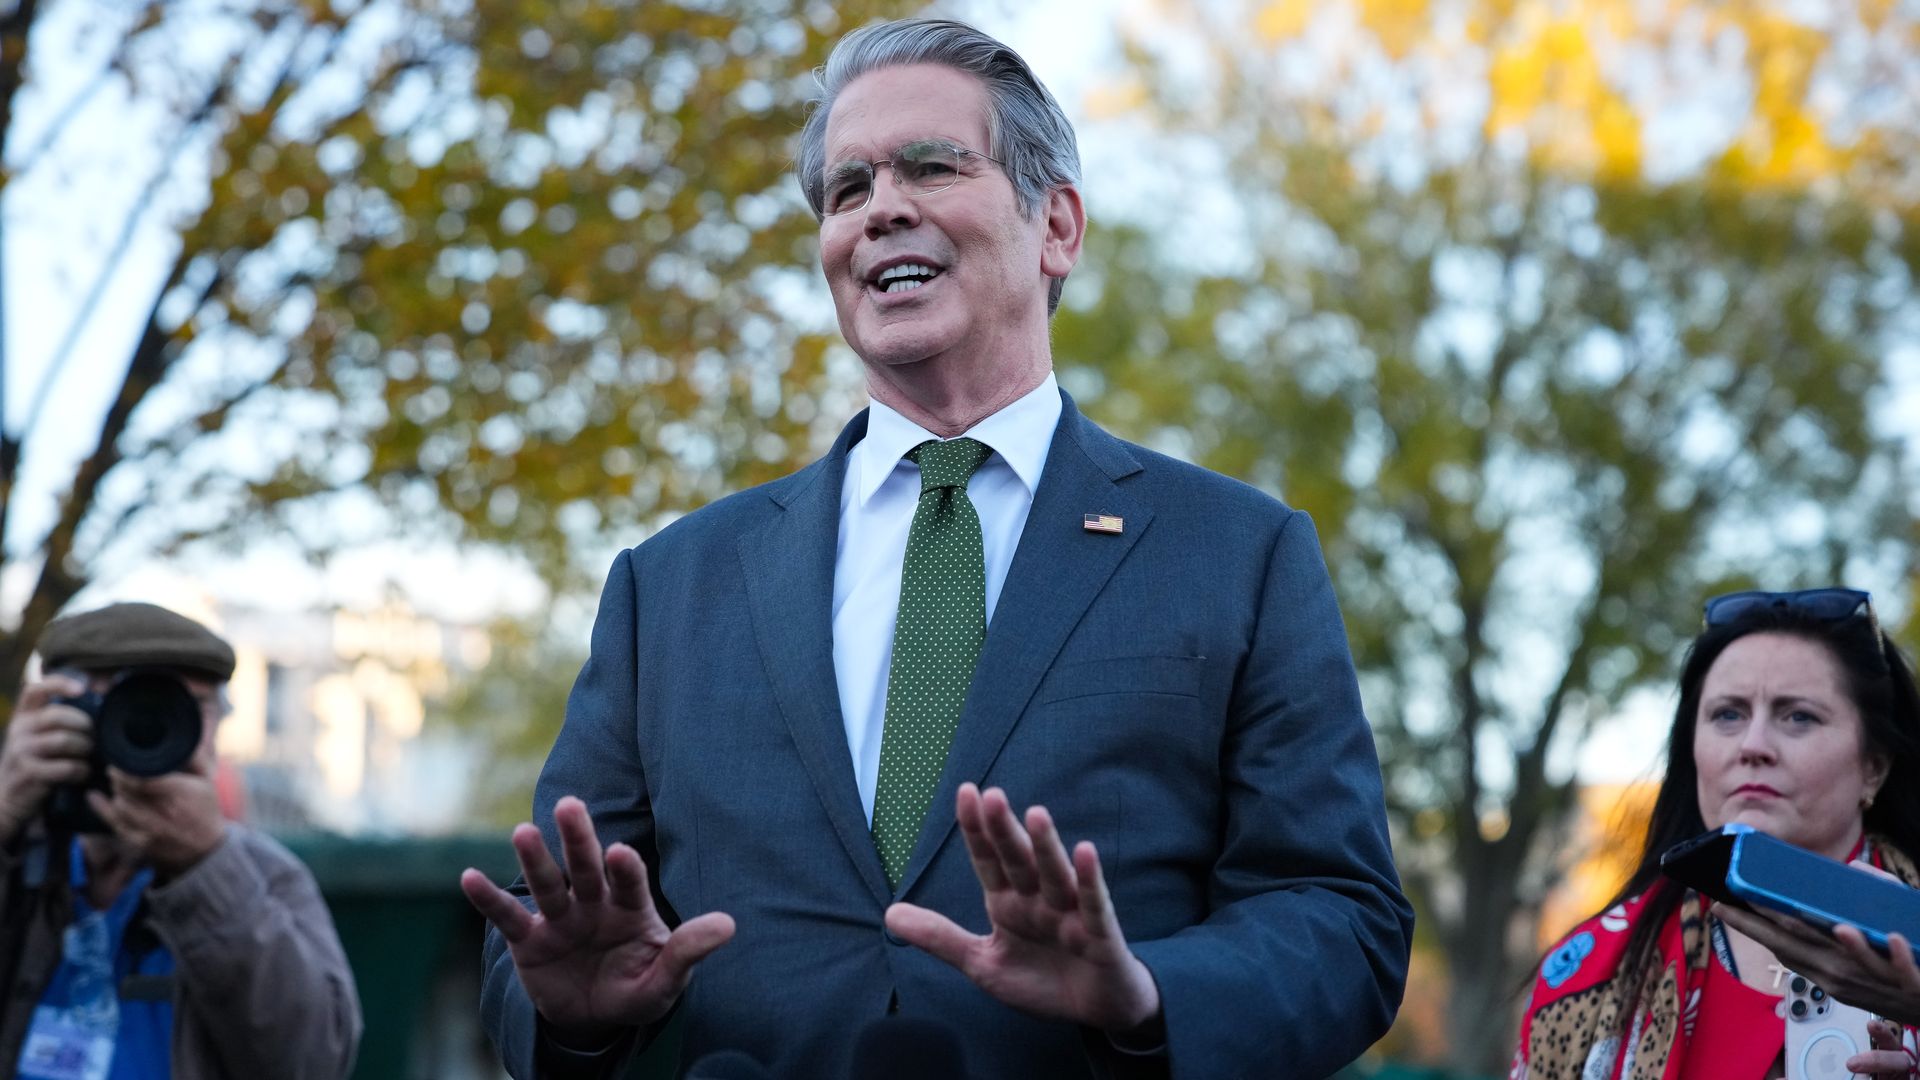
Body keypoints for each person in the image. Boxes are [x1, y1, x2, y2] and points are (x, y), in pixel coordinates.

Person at [465, 17, 1412, 1079]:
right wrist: (574, 1016)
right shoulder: (671, 585)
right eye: (847, 189)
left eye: (930, 167)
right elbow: (543, 942)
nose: (882, 210)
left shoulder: (1237, 554)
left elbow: (1341, 917)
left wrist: (1147, 996)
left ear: (1055, 226)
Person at [1512, 588, 1920, 1079]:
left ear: (1873, 768)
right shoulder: (1585, 969)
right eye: (1728, 714)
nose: (1753, 745)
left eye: (1799, 717)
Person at [0, 602, 362, 1079]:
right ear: (49, 713)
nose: (143, 729)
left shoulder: (264, 874)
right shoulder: (21, 851)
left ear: (215, 731)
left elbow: (316, 1063)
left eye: (179, 709)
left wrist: (205, 868)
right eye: (119, 705)